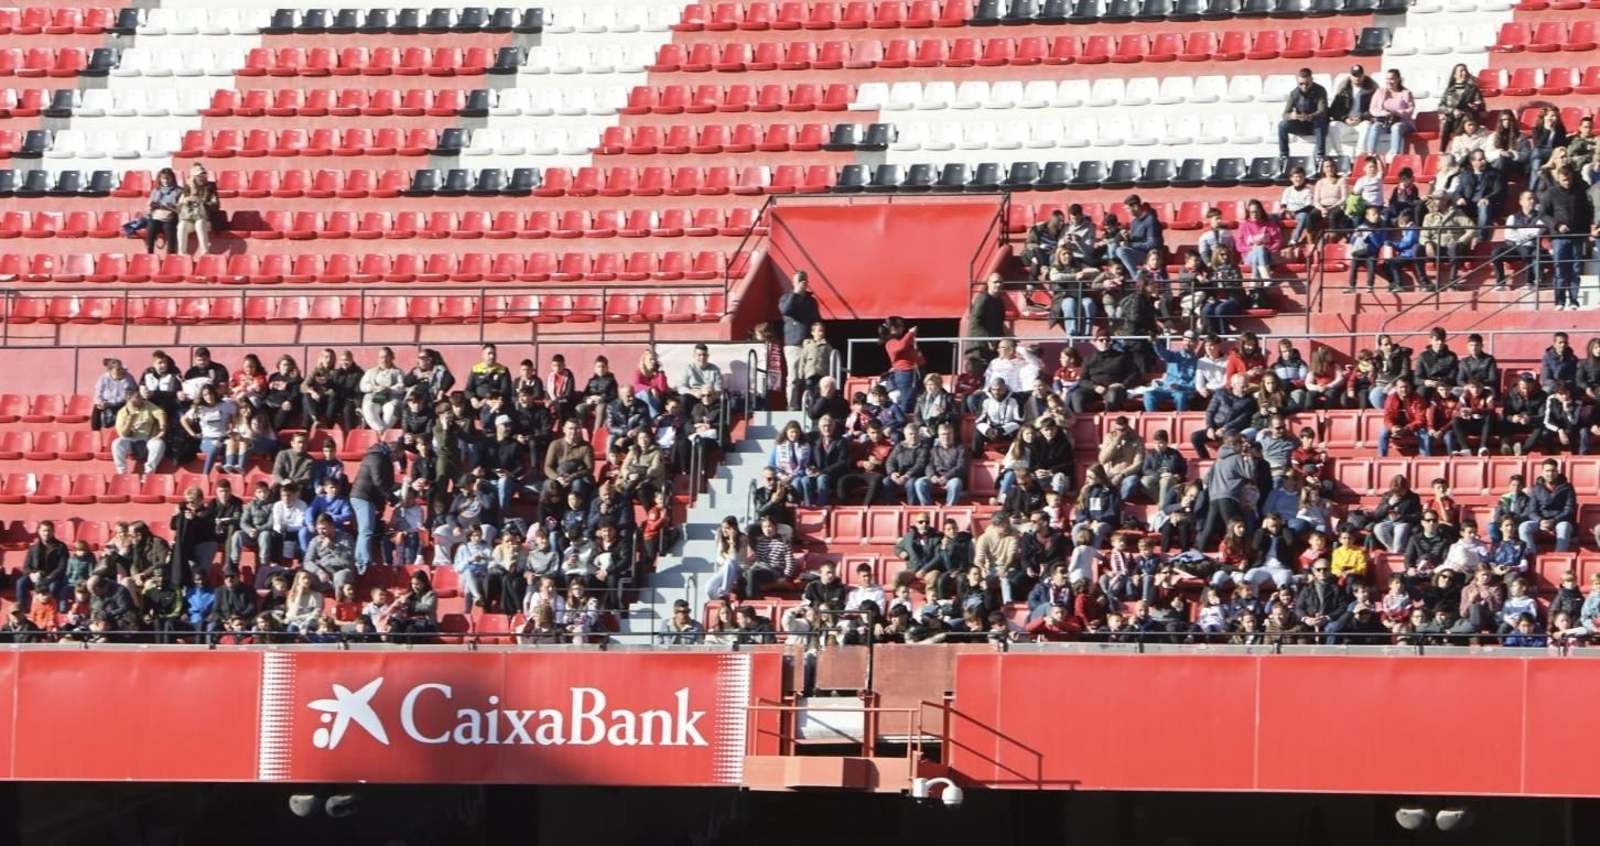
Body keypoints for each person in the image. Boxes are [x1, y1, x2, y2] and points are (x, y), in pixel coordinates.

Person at [1540, 166, 1593, 311]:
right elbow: (1543, 214)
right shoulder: (1550, 193)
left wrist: (1586, 234)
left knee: (1576, 269)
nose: (1567, 182)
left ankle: (1574, 301)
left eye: (1569, 179)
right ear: (1558, 178)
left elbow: (1587, 213)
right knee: (1560, 270)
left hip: (1577, 237)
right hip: (1559, 238)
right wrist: (1557, 225)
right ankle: (1559, 302)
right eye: (1564, 180)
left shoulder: (1580, 192)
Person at [1420, 191, 1477, 290]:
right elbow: (1423, 235)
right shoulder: (1428, 217)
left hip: (1453, 248)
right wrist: (1427, 243)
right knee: (1416, 249)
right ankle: (1425, 283)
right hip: (1436, 249)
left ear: (1445, 200)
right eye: (1433, 199)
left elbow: (1472, 229)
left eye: (1437, 199)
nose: (1433, 202)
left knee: (1454, 246)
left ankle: (1452, 283)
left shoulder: (1457, 214)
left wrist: (1460, 242)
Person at [1073, 330, 1139, 414]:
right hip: (1095, 390)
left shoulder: (1121, 357)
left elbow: (1135, 372)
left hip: (1114, 389)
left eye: (1107, 340)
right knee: (1077, 394)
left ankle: (1109, 422)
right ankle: (1082, 422)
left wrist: (1123, 384)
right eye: (1101, 340)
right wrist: (1094, 387)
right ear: (1095, 342)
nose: (1104, 342)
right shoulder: (1088, 359)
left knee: (1113, 393)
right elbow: (1083, 380)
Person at [1494, 190, 1548, 290]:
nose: (1532, 201)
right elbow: (1509, 235)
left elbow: (1537, 232)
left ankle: (1530, 282)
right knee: (1496, 252)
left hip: (1532, 247)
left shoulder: (1541, 217)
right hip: (1515, 247)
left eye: (1533, 199)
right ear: (1521, 201)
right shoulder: (1512, 217)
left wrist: (1519, 231)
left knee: (1527, 251)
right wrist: (1527, 232)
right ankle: (1500, 283)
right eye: (1529, 199)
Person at [1520, 459, 1576, 553]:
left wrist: (1554, 521)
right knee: (1524, 527)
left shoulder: (1568, 488)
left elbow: (1569, 510)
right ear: (1542, 472)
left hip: (1560, 521)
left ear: (1557, 472)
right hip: (1541, 521)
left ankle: (1559, 557)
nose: (1550, 473)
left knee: (1564, 527)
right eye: (1547, 471)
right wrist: (1540, 521)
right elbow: (1532, 510)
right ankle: (1531, 557)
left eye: (1553, 471)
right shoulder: (1536, 489)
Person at [110, 389, 167, 477]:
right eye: (137, 397)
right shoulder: (122, 412)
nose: (141, 398)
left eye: (140, 396)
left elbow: (160, 413)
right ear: (130, 400)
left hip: (149, 438)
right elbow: (123, 434)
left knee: (159, 444)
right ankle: (122, 472)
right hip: (131, 439)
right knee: (117, 443)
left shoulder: (147, 405)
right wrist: (130, 420)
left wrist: (162, 428)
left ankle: (149, 472)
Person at [1278, 67, 1330, 160]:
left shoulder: (1320, 91)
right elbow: (1285, 114)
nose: (1304, 87)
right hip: (1301, 124)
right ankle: (1284, 155)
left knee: (1320, 123)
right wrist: (1291, 116)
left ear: (1312, 80)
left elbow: (1323, 111)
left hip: (1315, 124)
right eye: (1301, 84)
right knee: (1282, 125)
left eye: (1307, 84)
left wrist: (1310, 117)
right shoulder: (1294, 93)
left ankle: (1320, 155)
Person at [1364, 69, 1414, 159]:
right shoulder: (1380, 92)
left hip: (1402, 121)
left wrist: (1397, 112)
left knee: (1396, 127)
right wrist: (1383, 113)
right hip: (1385, 121)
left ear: (1398, 79)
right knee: (1375, 126)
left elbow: (1410, 110)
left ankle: (1394, 155)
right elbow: (1372, 108)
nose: (1389, 81)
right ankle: (1371, 153)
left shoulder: (1406, 93)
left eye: (1392, 79)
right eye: (1387, 79)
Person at [917, 423, 969, 507]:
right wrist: (932, 476)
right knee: (919, 483)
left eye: (948, 434)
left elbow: (962, 466)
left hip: (951, 478)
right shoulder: (934, 449)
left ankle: (949, 508)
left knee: (956, 483)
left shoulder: (960, 448)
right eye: (943, 434)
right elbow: (929, 465)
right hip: (936, 477)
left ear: (953, 434)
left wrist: (947, 477)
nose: (946, 437)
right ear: (939, 436)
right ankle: (928, 508)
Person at [1455, 149, 1503, 238]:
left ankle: (1481, 238)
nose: (1484, 161)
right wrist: (1459, 197)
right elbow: (1458, 190)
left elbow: (1499, 190)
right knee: (1456, 207)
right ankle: (1457, 238)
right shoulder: (1466, 174)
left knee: (1484, 206)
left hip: (1489, 205)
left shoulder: (1495, 173)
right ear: (1472, 162)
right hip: (1469, 204)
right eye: (1480, 160)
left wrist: (1488, 198)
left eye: (1484, 158)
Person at [1436, 63, 1484, 152]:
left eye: (1465, 70)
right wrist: (1452, 110)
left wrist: (1476, 104)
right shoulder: (1449, 90)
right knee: (1447, 124)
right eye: (1461, 70)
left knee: (1458, 122)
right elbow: (1441, 106)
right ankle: (1442, 150)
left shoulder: (1472, 89)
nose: (1464, 73)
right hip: (1452, 117)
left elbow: (1481, 104)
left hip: (1467, 116)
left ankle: (1458, 150)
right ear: (1455, 75)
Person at [1332, 65, 1378, 156]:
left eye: (1359, 75)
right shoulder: (1343, 90)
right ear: (1350, 76)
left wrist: (1361, 118)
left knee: (1367, 125)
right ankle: (1340, 154)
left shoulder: (1371, 90)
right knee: (1332, 125)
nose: (1357, 78)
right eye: (1355, 75)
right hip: (1346, 123)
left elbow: (1374, 109)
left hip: (1361, 122)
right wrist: (1345, 119)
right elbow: (1334, 109)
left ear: (1363, 76)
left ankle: (1359, 155)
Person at [880, 316, 923, 413]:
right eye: (900, 326)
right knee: (906, 400)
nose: (902, 329)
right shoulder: (891, 342)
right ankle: (902, 423)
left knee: (913, 400)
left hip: (913, 373)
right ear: (893, 328)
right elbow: (901, 346)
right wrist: (910, 333)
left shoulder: (901, 341)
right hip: (904, 374)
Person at [1115, 194, 1164, 277]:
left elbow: (1153, 244)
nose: (1127, 212)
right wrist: (1123, 237)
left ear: (1135, 206)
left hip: (1149, 255)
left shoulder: (1150, 221)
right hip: (1137, 252)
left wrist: (1130, 245)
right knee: (1113, 248)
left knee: (1121, 251)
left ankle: (1136, 278)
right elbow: (1132, 242)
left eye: (1128, 209)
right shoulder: (1134, 222)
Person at [175, 163, 218, 256]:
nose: (202, 177)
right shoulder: (187, 189)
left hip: (206, 219)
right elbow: (178, 208)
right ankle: (182, 253)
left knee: (200, 223)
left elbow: (215, 205)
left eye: (203, 174)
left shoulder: (210, 188)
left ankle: (205, 252)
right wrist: (185, 201)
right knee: (182, 225)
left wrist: (202, 202)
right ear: (193, 177)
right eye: (199, 175)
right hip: (190, 218)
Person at [143, 167, 181, 254]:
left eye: (168, 178)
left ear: (172, 178)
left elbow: (181, 207)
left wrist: (171, 207)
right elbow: (148, 207)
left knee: (169, 228)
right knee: (151, 225)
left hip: (171, 217)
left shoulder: (179, 191)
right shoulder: (156, 191)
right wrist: (152, 207)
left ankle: (171, 254)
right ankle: (149, 252)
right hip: (157, 216)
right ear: (160, 179)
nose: (166, 181)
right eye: (163, 178)